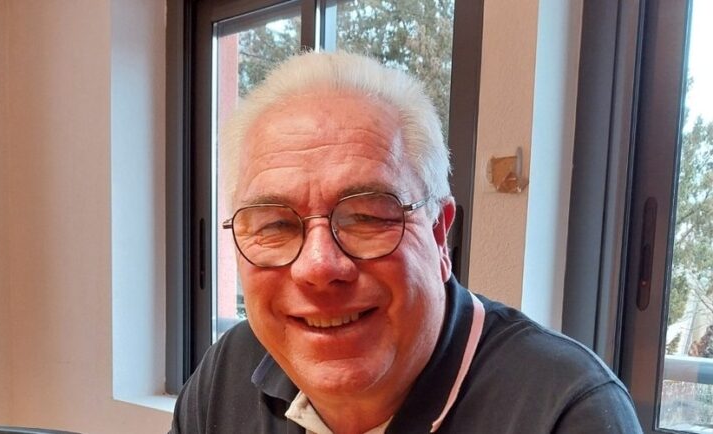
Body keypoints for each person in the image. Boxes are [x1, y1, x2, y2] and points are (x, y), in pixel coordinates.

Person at [170, 51, 642, 434]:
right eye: (275, 225)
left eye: (367, 217)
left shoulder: (565, 411)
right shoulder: (231, 369)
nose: (318, 265)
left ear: (439, 235)